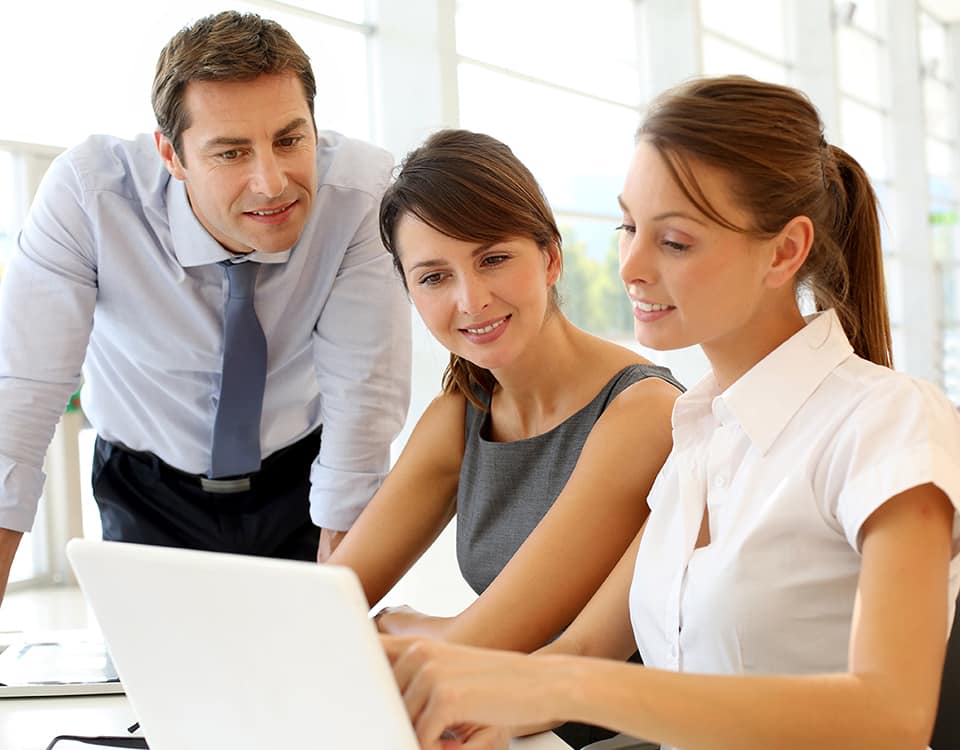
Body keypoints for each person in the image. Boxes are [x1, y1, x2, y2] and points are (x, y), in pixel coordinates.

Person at [383, 76, 960, 750]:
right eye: (629, 225)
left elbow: (891, 714)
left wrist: (558, 690)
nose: (629, 264)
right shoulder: (698, 431)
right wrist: (489, 715)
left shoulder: (887, 423)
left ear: (784, 251)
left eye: (675, 242)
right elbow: (591, 646)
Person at [0, 11, 411, 605]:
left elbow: (364, 398)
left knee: (306, 673)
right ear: (172, 155)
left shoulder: (362, 194)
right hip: (145, 489)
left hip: (303, 481)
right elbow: (21, 403)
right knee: (156, 685)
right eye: (231, 153)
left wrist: (338, 604)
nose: (272, 183)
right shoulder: (89, 197)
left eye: (291, 139)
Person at [327, 129, 681, 746]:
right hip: (498, 721)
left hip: (617, 732)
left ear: (550, 257)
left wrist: (412, 629)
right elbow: (328, 603)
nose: (471, 299)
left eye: (492, 259)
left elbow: (490, 640)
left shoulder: (641, 412)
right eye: (434, 277)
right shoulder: (460, 415)